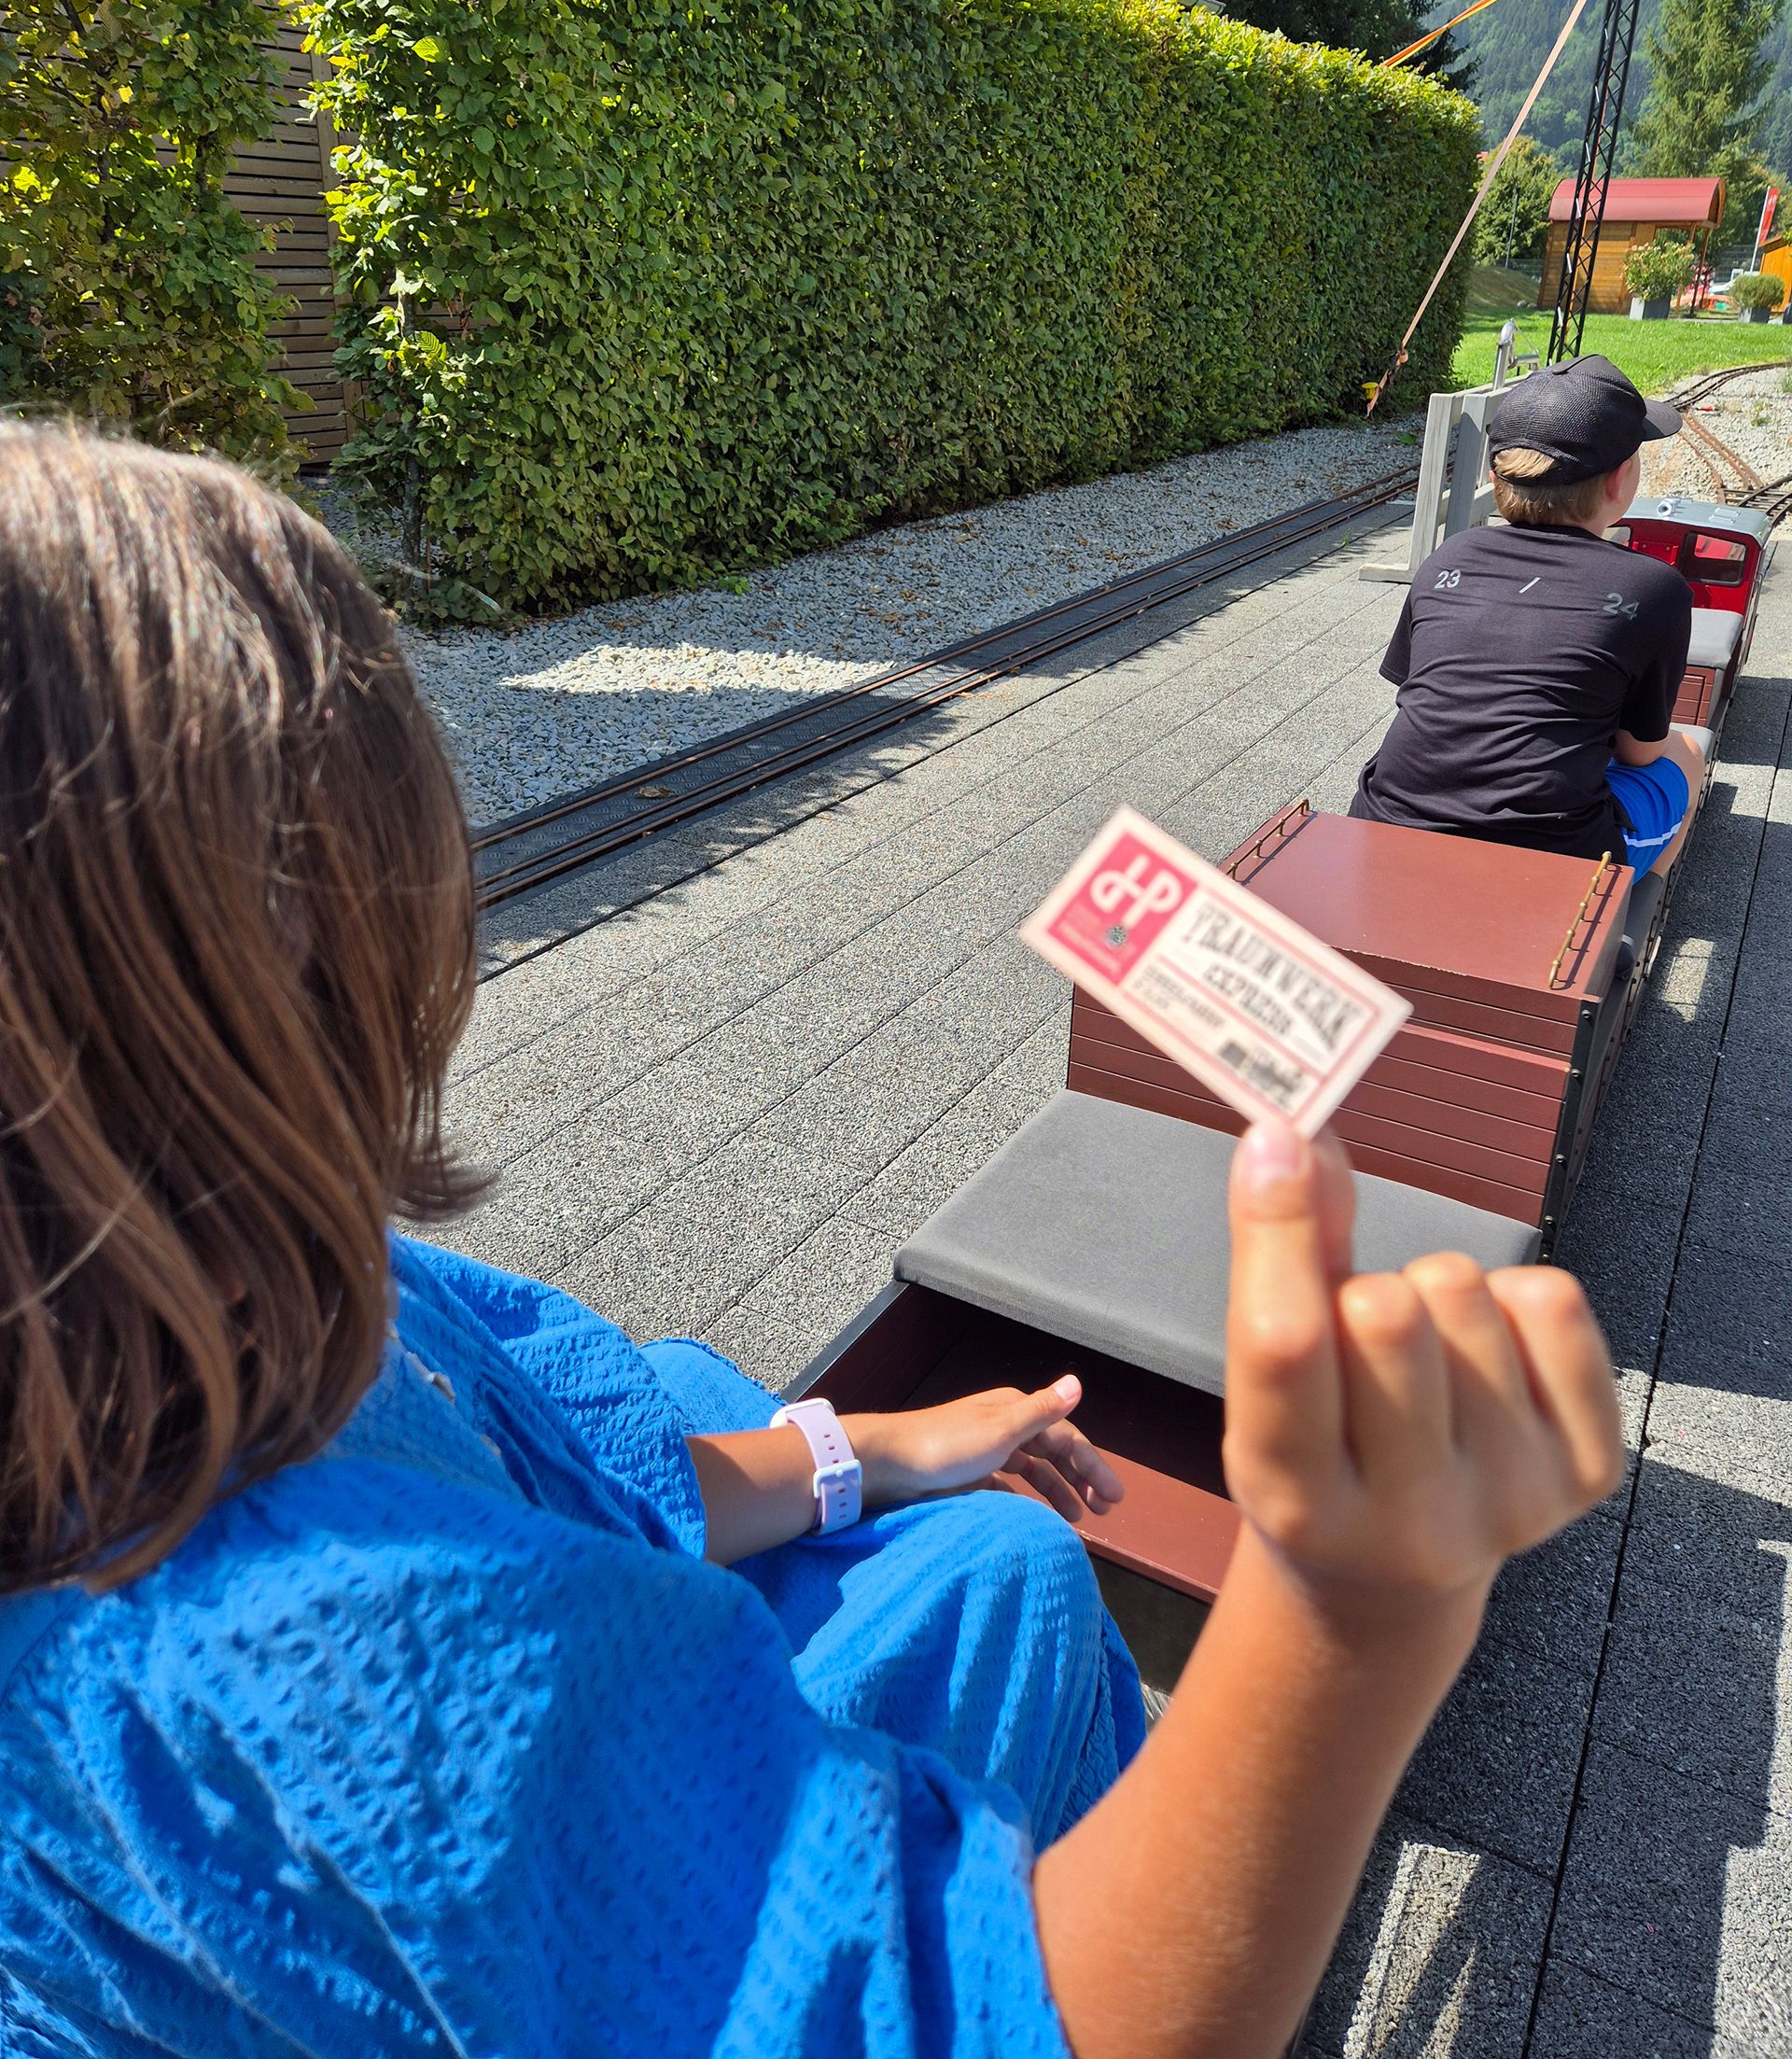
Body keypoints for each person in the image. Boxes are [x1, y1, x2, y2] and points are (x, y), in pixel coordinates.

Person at [0, 424, 1624, 2059]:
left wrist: (880, 1444)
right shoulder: (331, 1656)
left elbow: (609, 1478)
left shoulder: (194, 1300)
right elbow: (996, 2030)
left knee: (1005, 1563)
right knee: (1020, 1601)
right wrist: (1351, 1615)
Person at [1352, 353, 1704, 878]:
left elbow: (1428, 691)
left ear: (1498, 477)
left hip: (1386, 820)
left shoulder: (1449, 557)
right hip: (1555, 852)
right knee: (1688, 754)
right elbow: (1639, 753)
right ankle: (1627, 914)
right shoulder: (1655, 588)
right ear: (1619, 480)